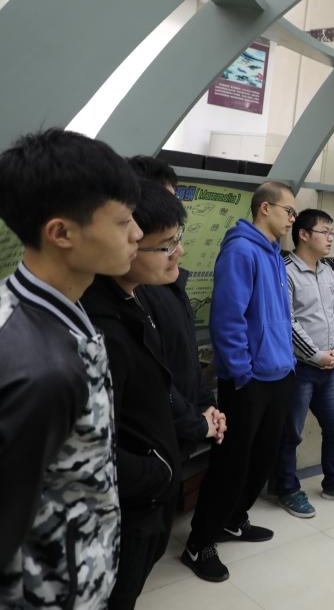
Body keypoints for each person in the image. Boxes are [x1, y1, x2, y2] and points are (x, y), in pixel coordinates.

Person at [0, 129, 141, 608]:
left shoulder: (46, 311)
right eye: (122, 221)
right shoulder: (43, 368)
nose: (137, 234)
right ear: (61, 233)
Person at [181, 181, 296, 583]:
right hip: (248, 381)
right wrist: (242, 374)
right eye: (288, 211)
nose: (292, 219)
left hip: (278, 374)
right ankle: (199, 542)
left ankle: (233, 520)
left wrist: (286, 364)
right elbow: (228, 320)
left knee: (262, 458)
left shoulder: (274, 254)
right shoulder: (241, 250)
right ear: (265, 208)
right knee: (231, 464)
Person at [81, 181, 187, 608]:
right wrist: (156, 474)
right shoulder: (99, 329)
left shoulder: (139, 300)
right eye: (165, 245)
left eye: (177, 240)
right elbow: (93, 448)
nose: (178, 252)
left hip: (149, 499)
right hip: (127, 507)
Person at [127, 156, 226, 453]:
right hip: (154, 443)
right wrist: (195, 422)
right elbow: (152, 382)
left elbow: (187, 358)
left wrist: (207, 406)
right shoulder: (129, 298)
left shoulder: (169, 282)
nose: (178, 250)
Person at [275, 208, 334, 517]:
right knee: (291, 433)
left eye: (332, 233)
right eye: (324, 232)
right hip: (300, 369)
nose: (330, 238)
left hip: (329, 368)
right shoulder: (285, 270)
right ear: (303, 234)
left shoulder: (326, 270)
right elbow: (287, 322)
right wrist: (316, 355)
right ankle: (287, 489)